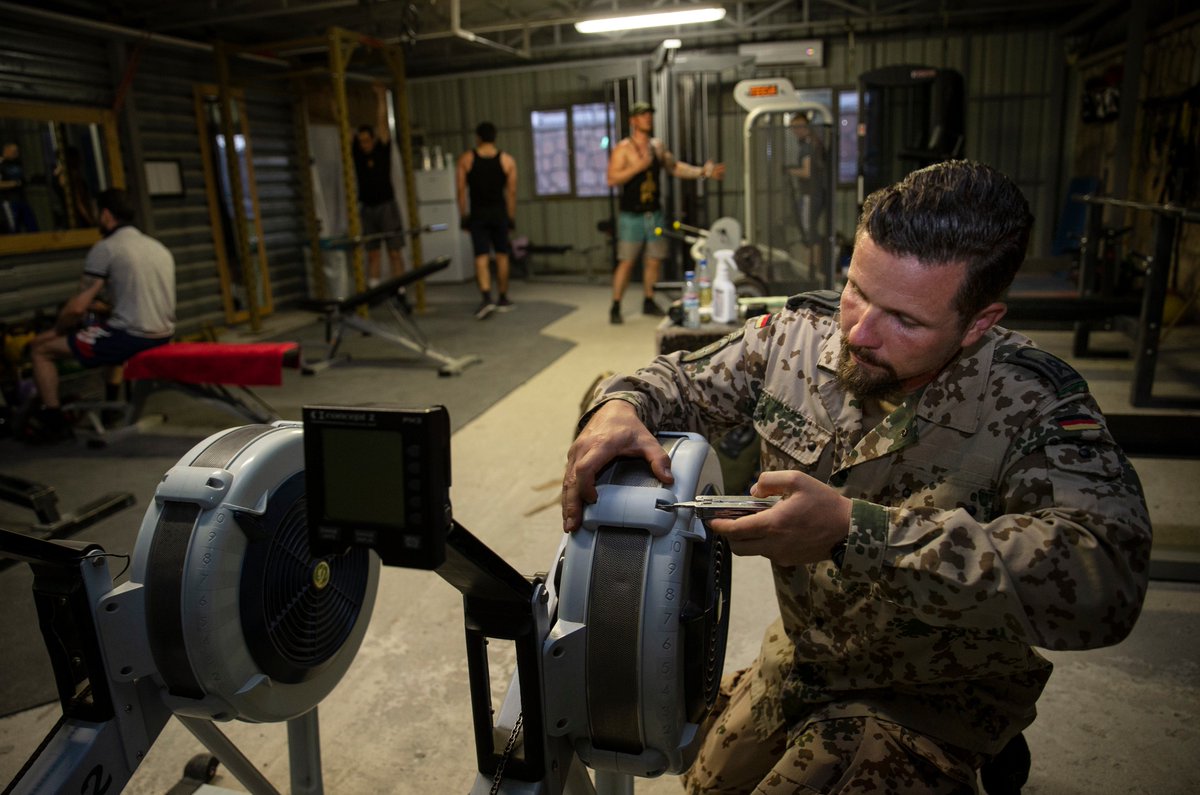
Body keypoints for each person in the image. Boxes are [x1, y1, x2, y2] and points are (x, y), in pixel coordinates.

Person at [562, 160, 1152, 793]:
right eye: (857, 290)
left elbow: (1106, 577)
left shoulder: (1033, 403)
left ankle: (976, 752)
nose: (859, 333)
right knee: (703, 781)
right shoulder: (794, 339)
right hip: (806, 656)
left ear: (978, 322)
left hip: (935, 688)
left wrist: (854, 532)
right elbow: (678, 381)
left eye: (906, 320)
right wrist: (618, 405)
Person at [25, 188, 175, 444]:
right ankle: (110, 407)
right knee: (106, 330)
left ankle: (53, 420)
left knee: (40, 349)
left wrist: (56, 330)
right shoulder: (156, 247)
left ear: (106, 215)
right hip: (163, 335)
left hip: (131, 338)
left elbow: (76, 309)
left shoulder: (106, 248)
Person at [607, 101, 726, 324]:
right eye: (642, 115)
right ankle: (615, 305)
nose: (647, 118)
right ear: (633, 120)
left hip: (654, 213)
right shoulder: (623, 149)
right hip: (631, 215)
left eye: (649, 114)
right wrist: (638, 167)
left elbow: (675, 167)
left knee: (654, 260)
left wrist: (703, 172)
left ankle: (648, 299)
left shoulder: (657, 147)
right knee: (627, 261)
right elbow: (612, 178)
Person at [456, 121, 518, 319]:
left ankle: (486, 298)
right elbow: (511, 192)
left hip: (478, 214)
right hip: (499, 214)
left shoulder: (467, 159)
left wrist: (463, 216)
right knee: (502, 255)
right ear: (494, 137)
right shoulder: (507, 160)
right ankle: (503, 297)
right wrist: (510, 217)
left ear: (478, 138)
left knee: (481, 256)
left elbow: (460, 191)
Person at [352, 83, 408, 289]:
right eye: (361, 141)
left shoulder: (382, 149)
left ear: (373, 139)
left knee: (394, 252)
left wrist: (381, 98)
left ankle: (400, 290)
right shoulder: (357, 153)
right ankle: (374, 291)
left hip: (386, 207)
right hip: (367, 208)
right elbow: (343, 123)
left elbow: (383, 123)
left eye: (367, 141)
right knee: (373, 254)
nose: (364, 145)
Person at [787, 112, 829, 274]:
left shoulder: (807, 146)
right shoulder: (812, 143)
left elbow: (807, 172)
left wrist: (789, 171)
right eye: (793, 127)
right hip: (815, 194)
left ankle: (812, 268)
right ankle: (812, 267)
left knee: (809, 230)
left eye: (798, 126)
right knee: (810, 229)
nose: (795, 131)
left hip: (811, 195)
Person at [1, 142, 38, 234]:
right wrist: (14, 183)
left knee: (32, 226)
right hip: (9, 201)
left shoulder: (18, 164)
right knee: (13, 229)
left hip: (22, 199)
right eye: (14, 151)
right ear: (6, 151)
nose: (16, 154)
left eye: (17, 151)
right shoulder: (1, 165)